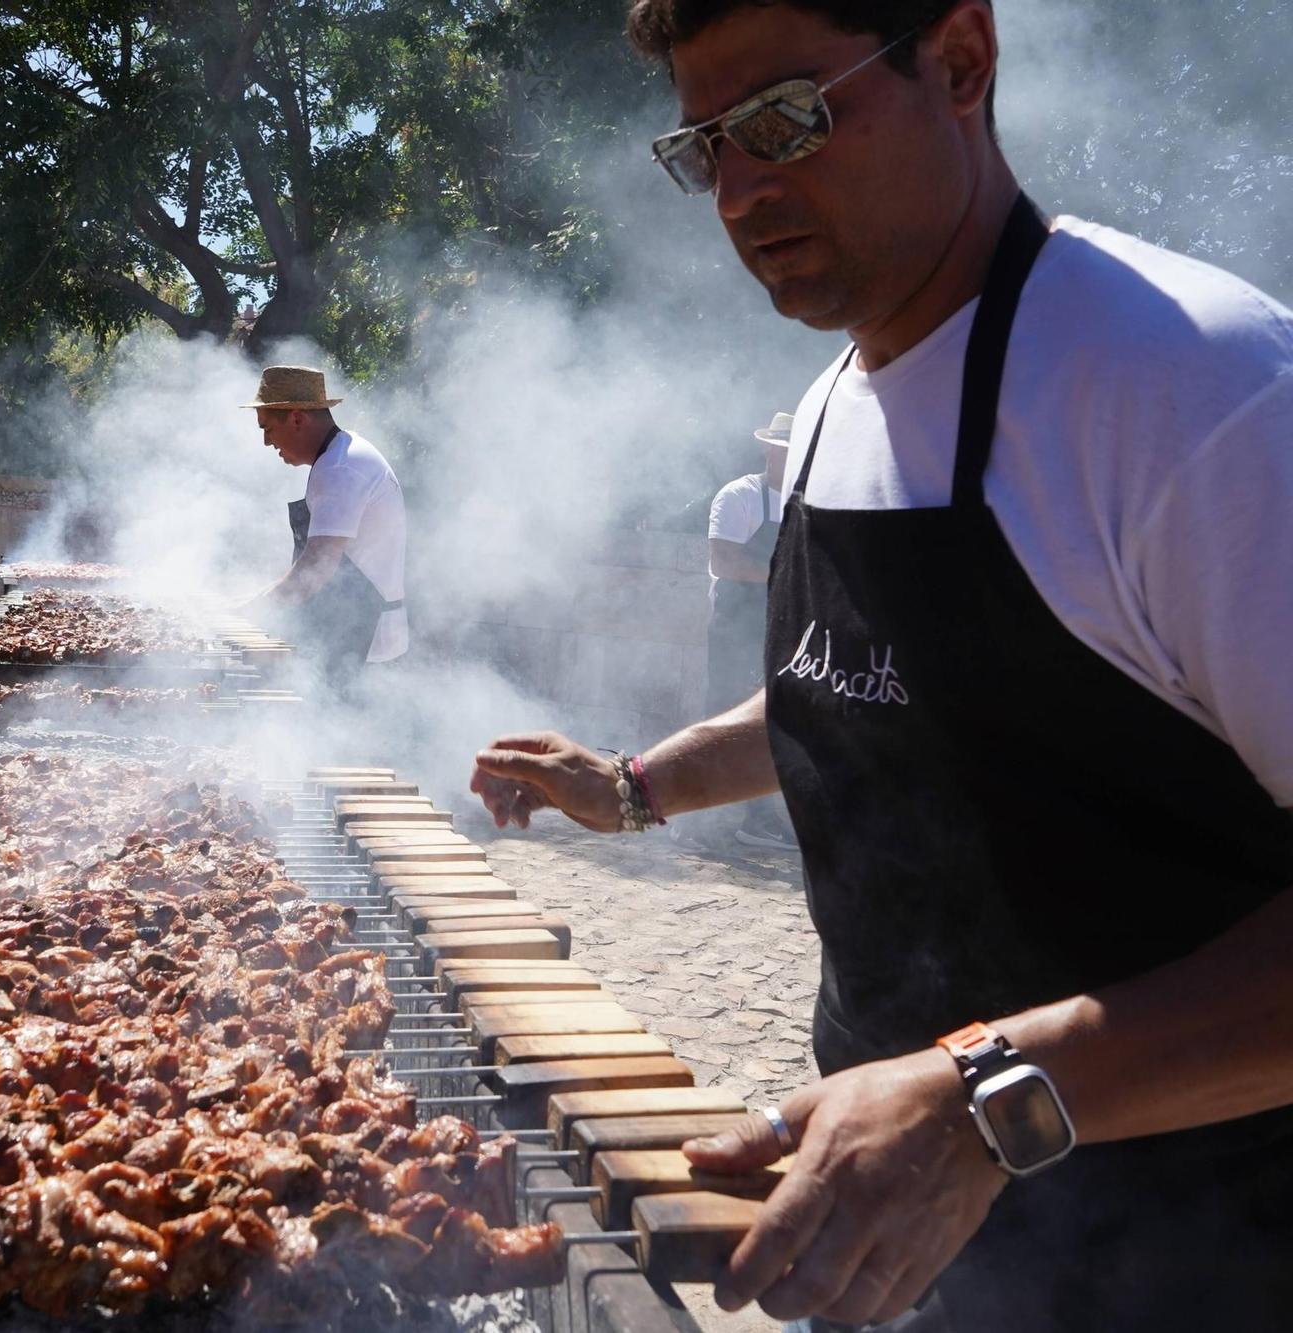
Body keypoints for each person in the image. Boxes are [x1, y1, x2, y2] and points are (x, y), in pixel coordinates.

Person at [471, 3, 1293, 1329]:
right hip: (897, 1244)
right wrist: (632, 784)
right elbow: (858, 690)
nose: (740, 191)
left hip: (1196, 1262)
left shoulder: (1191, 389)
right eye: (704, 148)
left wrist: (984, 1099)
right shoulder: (829, 410)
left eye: (785, 120)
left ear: (960, 62)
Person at [236, 365, 408, 686]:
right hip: (350, 633)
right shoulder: (345, 452)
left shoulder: (340, 469)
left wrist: (250, 612)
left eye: (268, 429)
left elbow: (316, 568)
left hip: (360, 643)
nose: (265, 442)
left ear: (297, 418)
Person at [700, 411, 798, 852]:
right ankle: (690, 820)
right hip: (736, 625)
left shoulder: (806, 499)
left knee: (774, 720)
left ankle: (756, 820)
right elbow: (725, 562)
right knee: (721, 715)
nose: (793, 458)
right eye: (785, 449)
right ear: (768, 449)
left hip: (786, 625)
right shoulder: (740, 496)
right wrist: (788, 574)